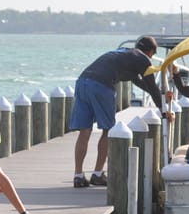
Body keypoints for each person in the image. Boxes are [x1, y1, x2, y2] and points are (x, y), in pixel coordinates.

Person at [70, 36, 165, 187]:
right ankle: (98, 174)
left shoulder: (124, 53)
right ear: (151, 51)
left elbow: (141, 84)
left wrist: (161, 97)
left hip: (82, 82)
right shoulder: (143, 59)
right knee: (109, 131)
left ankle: (78, 175)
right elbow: (151, 86)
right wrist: (163, 109)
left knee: (85, 131)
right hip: (101, 85)